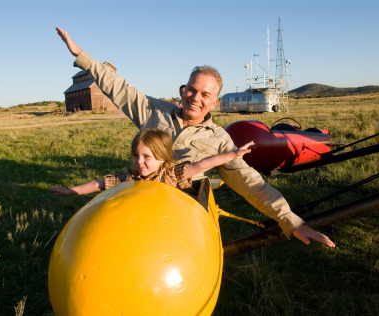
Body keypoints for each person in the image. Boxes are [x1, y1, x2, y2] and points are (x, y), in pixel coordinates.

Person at [55, 27, 335, 248]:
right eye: (191, 89)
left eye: (205, 94)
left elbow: (252, 184)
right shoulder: (155, 111)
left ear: (214, 103)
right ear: (183, 90)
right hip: (142, 197)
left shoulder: (221, 142)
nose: (195, 98)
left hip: (183, 209)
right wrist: (82, 56)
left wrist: (291, 221)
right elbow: (118, 87)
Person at [51, 128, 254, 196]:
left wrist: (233, 154)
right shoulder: (131, 178)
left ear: (162, 158)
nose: (140, 162)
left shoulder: (172, 174)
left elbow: (203, 164)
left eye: (147, 157)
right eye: (136, 155)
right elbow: (101, 183)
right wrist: (73, 190)